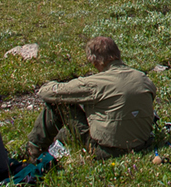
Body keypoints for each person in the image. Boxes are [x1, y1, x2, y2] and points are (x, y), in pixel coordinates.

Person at [25, 36, 156, 159]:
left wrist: (51, 84)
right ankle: (58, 140)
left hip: (105, 151)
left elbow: (47, 93)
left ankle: (33, 150)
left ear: (95, 60)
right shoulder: (143, 78)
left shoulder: (94, 83)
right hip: (141, 145)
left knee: (59, 103)